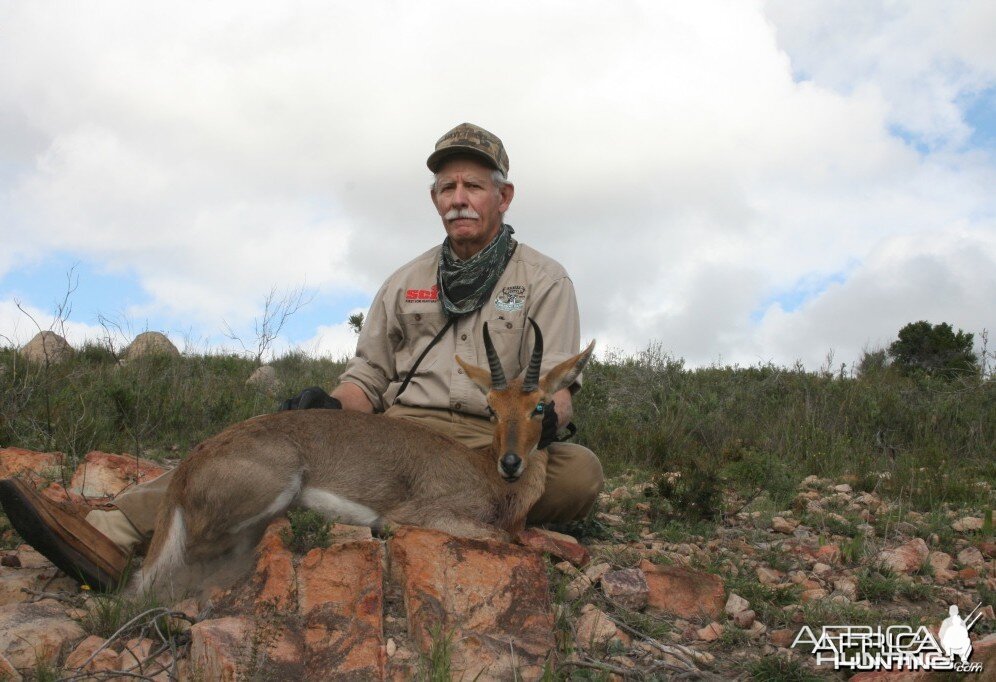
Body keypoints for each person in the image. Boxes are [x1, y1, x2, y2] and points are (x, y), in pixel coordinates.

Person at [0, 123, 603, 592]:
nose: (459, 198)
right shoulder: (406, 280)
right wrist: (328, 404)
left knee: (580, 474)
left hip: (502, 436)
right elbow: (368, 376)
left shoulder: (545, 280)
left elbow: (559, 383)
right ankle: (112, 529)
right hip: (408, 434)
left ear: (504, 194)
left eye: (474, 185)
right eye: (448, 188)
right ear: (433, 198)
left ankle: (405, 514)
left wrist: (550, 417)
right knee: (274, 442)